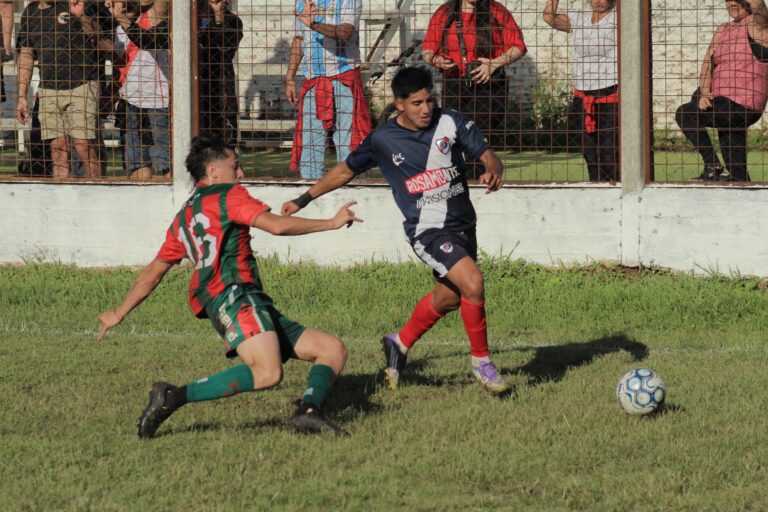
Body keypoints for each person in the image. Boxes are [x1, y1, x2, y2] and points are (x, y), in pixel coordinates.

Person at [97, 135, 362, 439]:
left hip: (241, 298)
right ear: (212, 171)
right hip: (234, 295)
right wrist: (330, 222)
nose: (241, 174)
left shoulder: (184, 216)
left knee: (332, 349)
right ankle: (172, 396)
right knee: (268, 373)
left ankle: (308, 412)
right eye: (235, 166)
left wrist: (119, 313)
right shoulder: (227, 195)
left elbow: (152, 274)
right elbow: (276, 225)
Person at [281, 67, 509, 395]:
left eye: (429, 100)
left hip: (463, 225)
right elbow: (345, 170)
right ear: (399, 103)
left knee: (448, 299)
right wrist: (303, 198)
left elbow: (488, 155)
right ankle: (482, 363)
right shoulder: (383, 139)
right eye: (416, 103)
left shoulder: (451, 120)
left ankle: (398, 342)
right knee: (473, 282)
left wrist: (493, 170)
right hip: (427, 230)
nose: (425, 108)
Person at [422, 0, 527, 179]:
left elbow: (518, 47)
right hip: (455, 83)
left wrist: (494, 64)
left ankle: (479, 185)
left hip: (488, 86)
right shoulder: (444, 12)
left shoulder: (496, 10)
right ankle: (459, 185)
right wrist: (437, 60)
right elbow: (427, 51)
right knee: (453, 138)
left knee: (480, 140)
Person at [675, 0, 768, 182]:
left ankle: (713, 166)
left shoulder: (758, 26)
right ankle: (742, 189)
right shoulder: (723, 30)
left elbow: (760, 7)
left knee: (686, 113)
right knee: (737, 171)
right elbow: (707, 64)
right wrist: (704, 93)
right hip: (721, 101)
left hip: (743, 104)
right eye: (728, 1)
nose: (732, 4)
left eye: (738, 0)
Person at [16, 0, 103, 179]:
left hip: (82, 83)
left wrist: (83, 17)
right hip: (49, 88)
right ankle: (64, 198)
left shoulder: (75, 3)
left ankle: (96, 195)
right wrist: (22, 96)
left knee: (83, 146)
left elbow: (98, 37)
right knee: (58, 150)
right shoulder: (30, 11)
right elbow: (26, 54)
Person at [286, 0, 371, 179]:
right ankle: (311, 190)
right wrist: (290, 78)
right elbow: (298, 40)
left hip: (343, 77)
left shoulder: (348, 1)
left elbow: (345, 32)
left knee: (347, 140)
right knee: (310, 141)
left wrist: (314, 24)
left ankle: (353, 188)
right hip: (313, 80)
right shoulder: (302, 2)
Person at [543, 0, 618, 182]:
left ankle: (614, 188)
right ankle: (595, 186)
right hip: (583, 95)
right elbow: (549, 18)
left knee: (609, 153)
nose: (599, 2)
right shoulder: (579, 19)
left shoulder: (617, 19)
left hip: (610, 94)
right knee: (589, 152)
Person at [107, 0, 171, 180]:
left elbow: (146, 39)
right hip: (130, 101)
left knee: (168, 163)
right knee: (137, 164)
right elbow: (119, 66)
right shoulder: (120, 29)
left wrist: (120, 15)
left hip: (160, 101)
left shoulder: (162, 20)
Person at [197, 0, 243, 145]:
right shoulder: (191, 19)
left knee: (225, 142)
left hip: (221, 85)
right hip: (196, 85)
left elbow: (226, 50)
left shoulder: (233, 21)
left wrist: (218, 18)